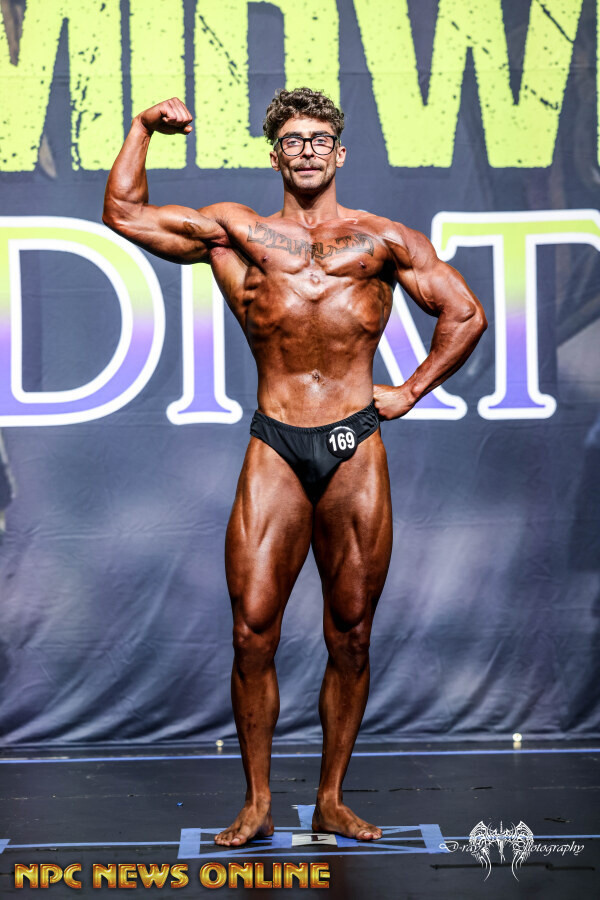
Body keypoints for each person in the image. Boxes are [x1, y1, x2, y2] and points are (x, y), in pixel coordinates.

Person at [103, 88, 487, 846]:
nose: (306, 150)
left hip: (355, 445)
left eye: (319, 139)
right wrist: (144, 126)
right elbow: (124, 213)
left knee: (352, 634)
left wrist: (411, 389)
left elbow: (465, 312)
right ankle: (257, 802)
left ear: (338, 153)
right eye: (293, 140)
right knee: (252, 632)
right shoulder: (238, 233)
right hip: (276, 444)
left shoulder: (382, 239)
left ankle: (333, 798)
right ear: (275, 156)